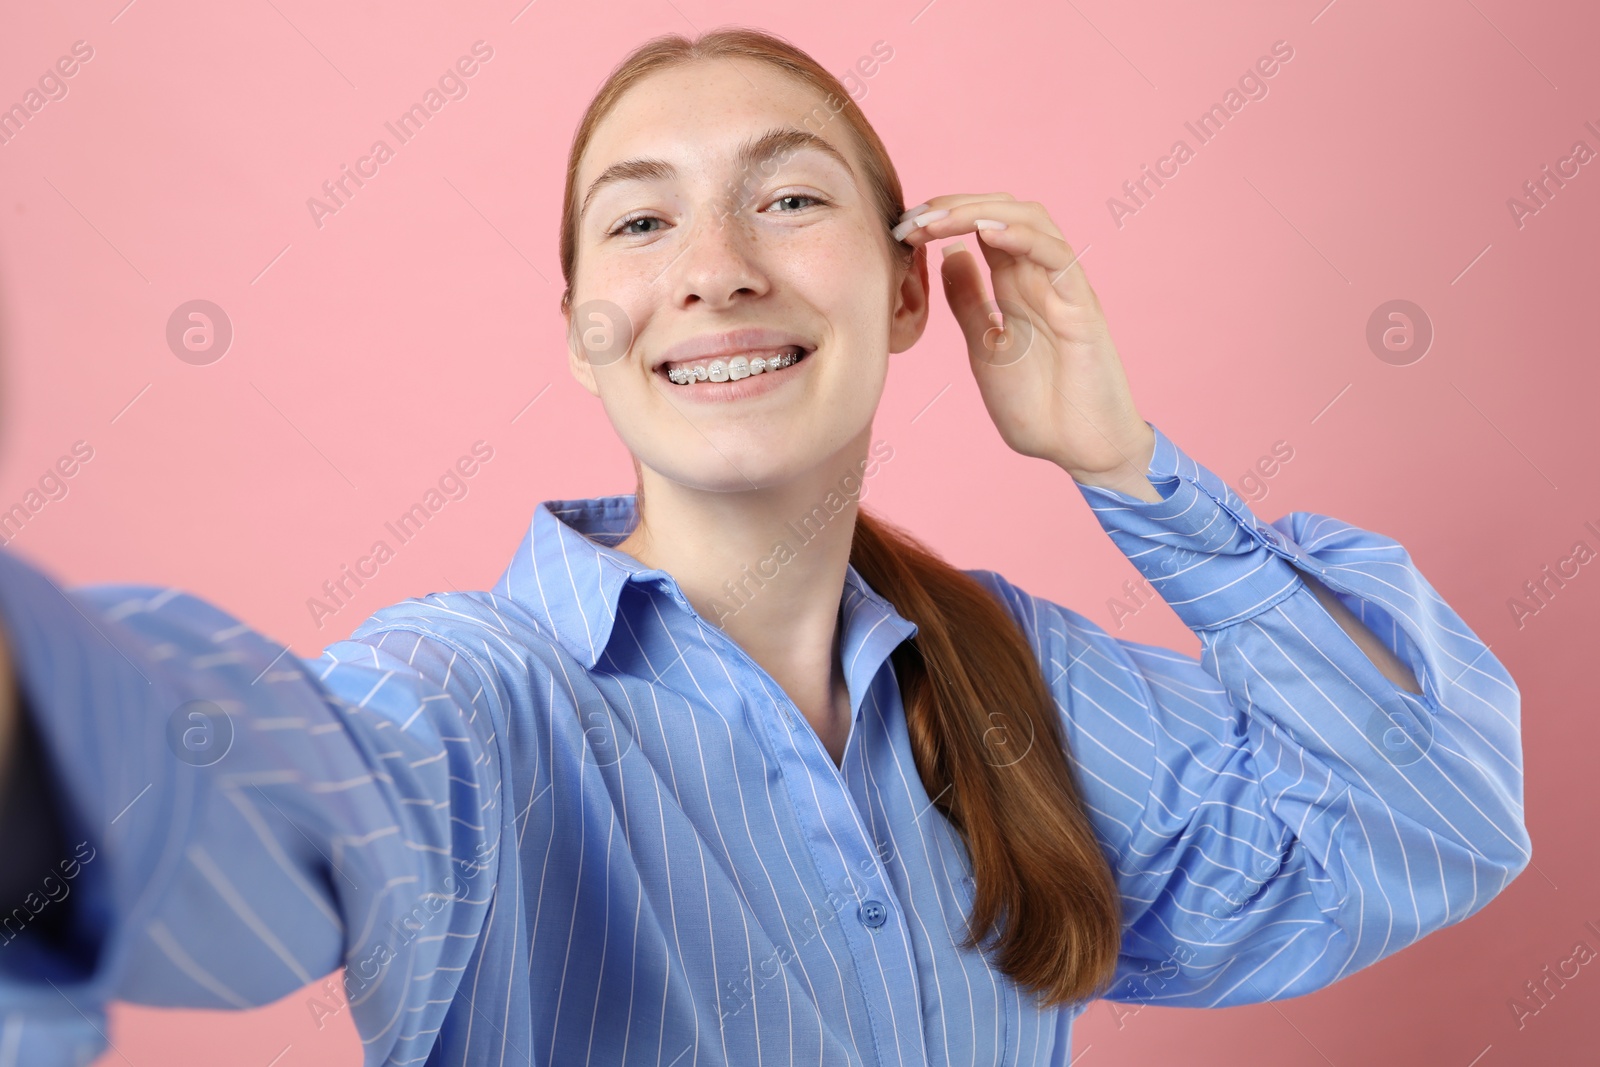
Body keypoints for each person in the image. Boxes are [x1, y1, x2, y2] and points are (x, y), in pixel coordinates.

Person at [0, 26, 1529, 1067]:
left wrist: (1130, 472)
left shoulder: (1021, 687)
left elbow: (1426, 825)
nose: (718, 273)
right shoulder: (469, 698)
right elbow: (242, 795)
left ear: (916, 292)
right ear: (586, 330)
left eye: (789, 199)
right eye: (643, 226)